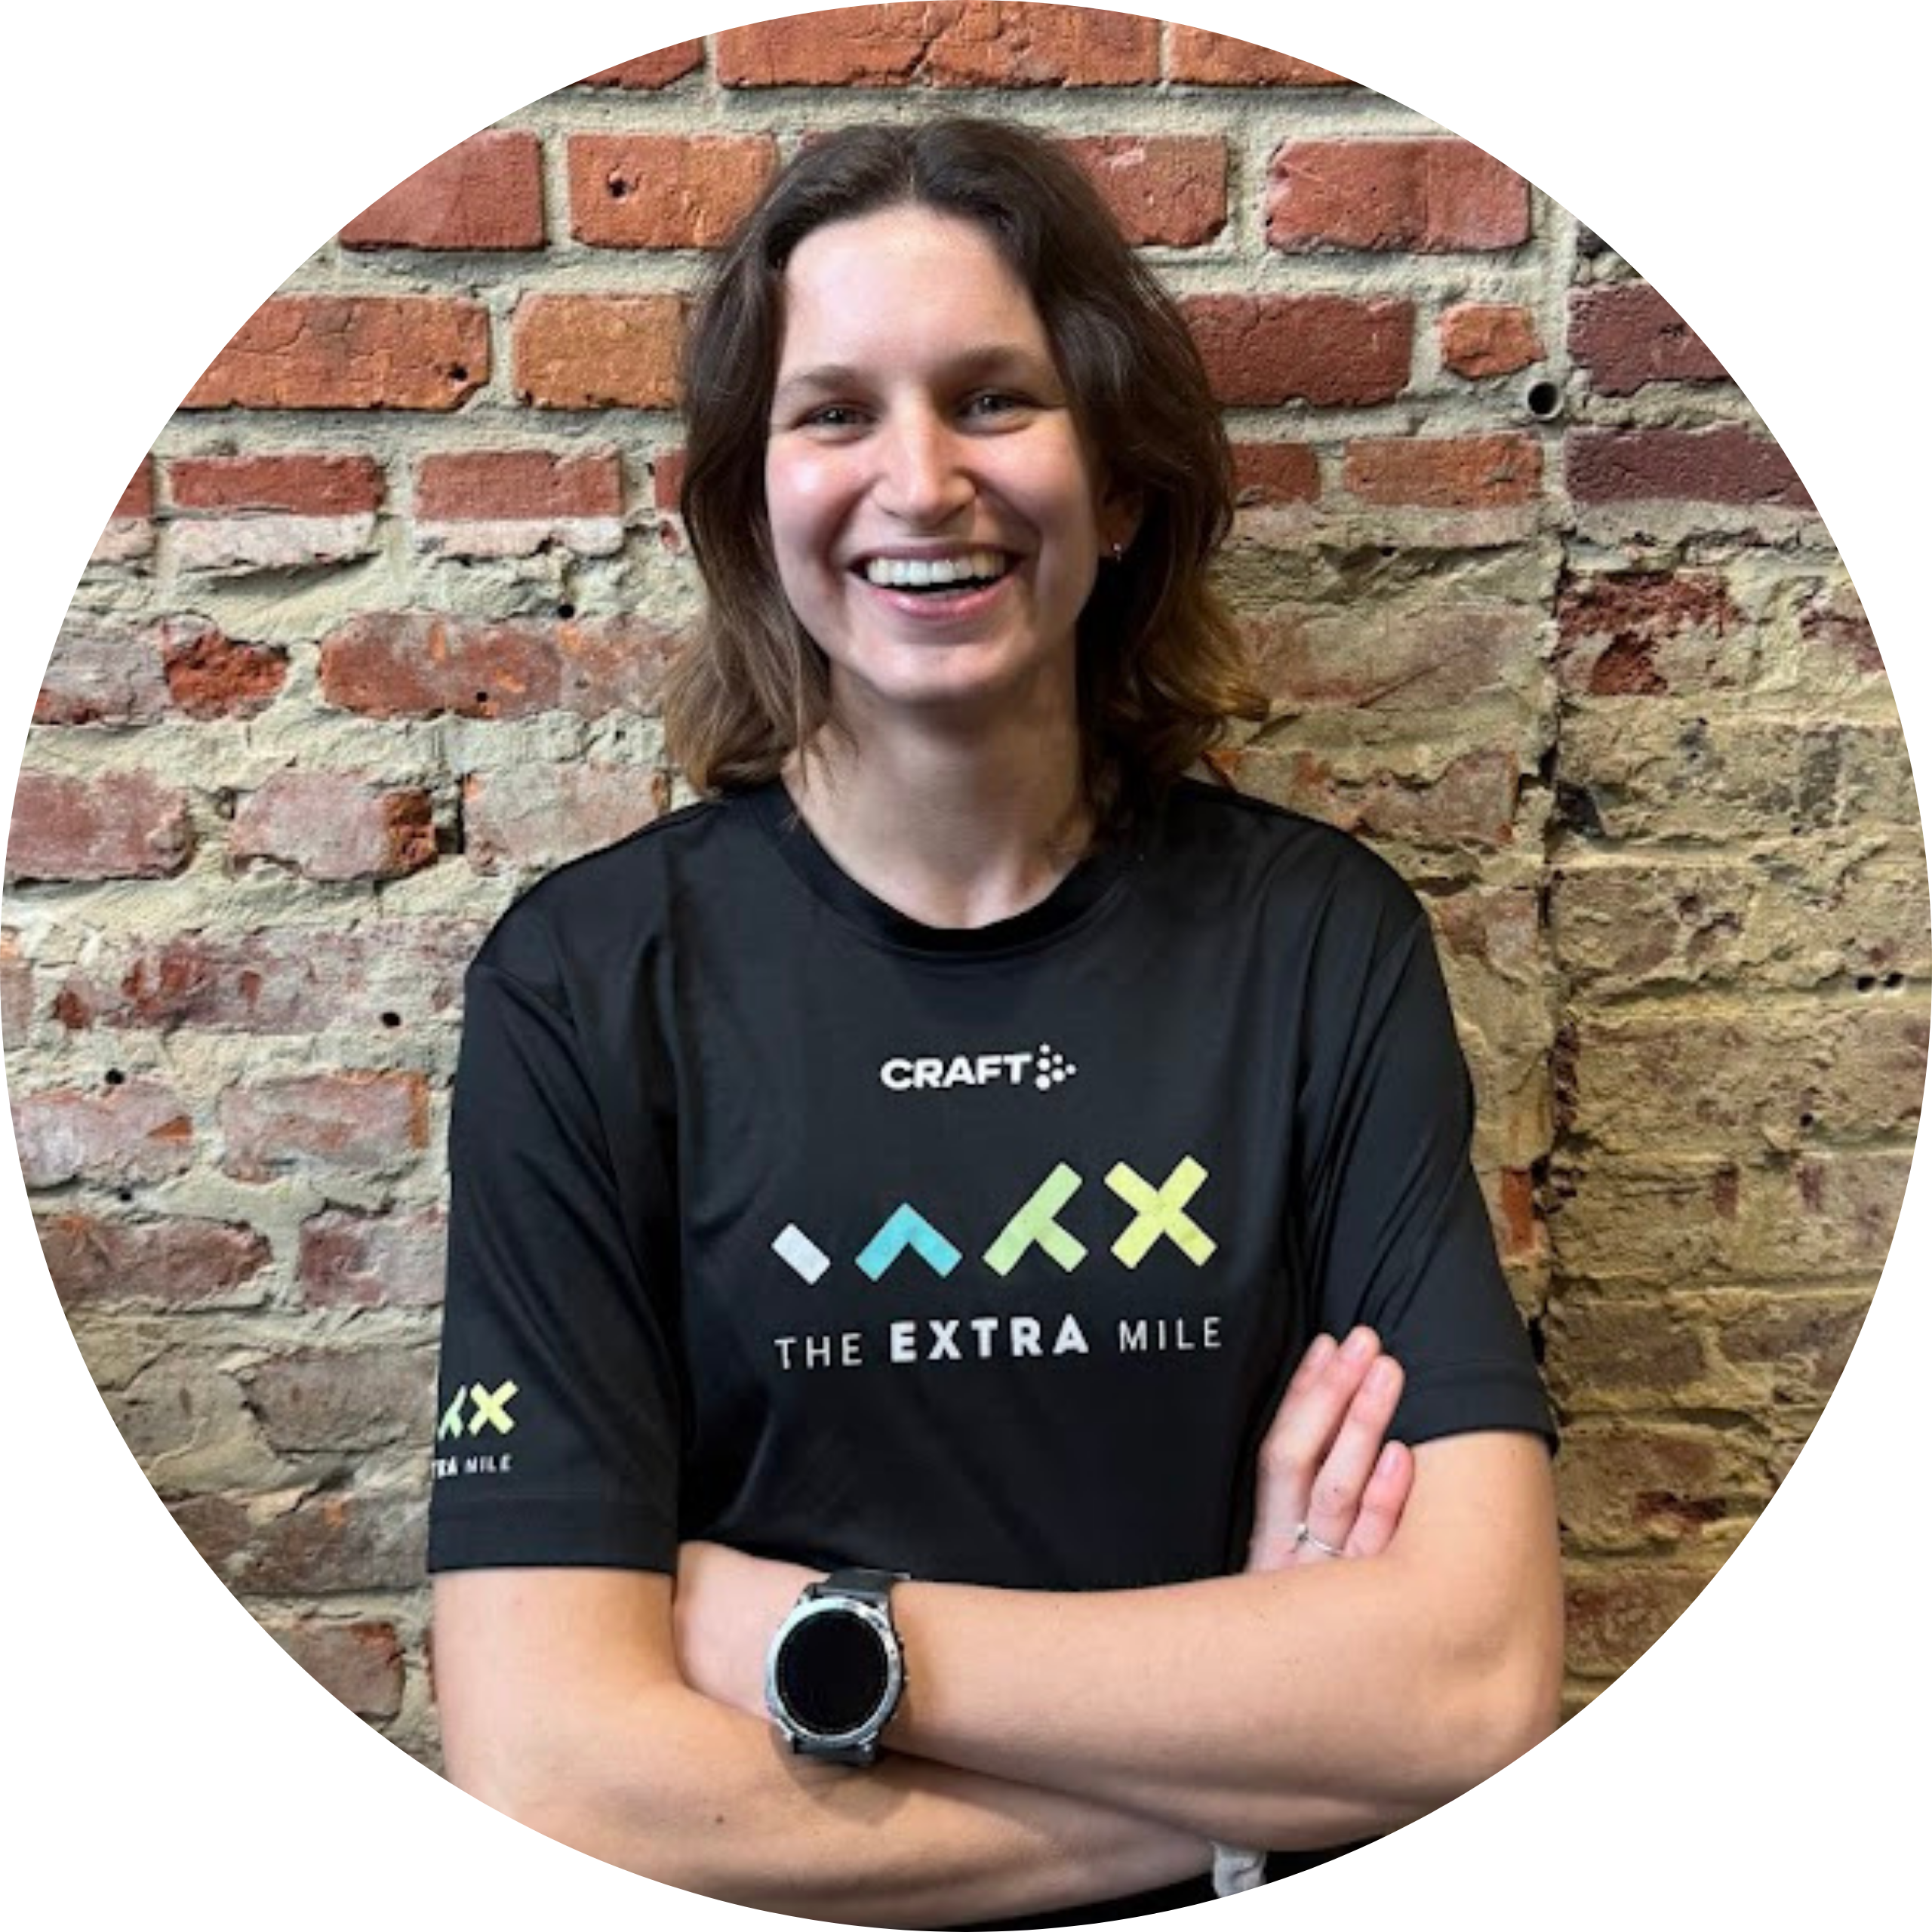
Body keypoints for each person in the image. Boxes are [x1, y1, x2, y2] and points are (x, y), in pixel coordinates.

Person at [426, 118, 1561, 1925]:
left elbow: (1469, 1690)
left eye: (991, 399)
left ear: (1116, 487)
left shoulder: (1315, 944)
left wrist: (811, 1632)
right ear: (747, 508)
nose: (920, 478)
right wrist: (1254, 1786)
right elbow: (555, 1776)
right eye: (834, 413)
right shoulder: (583, 986)